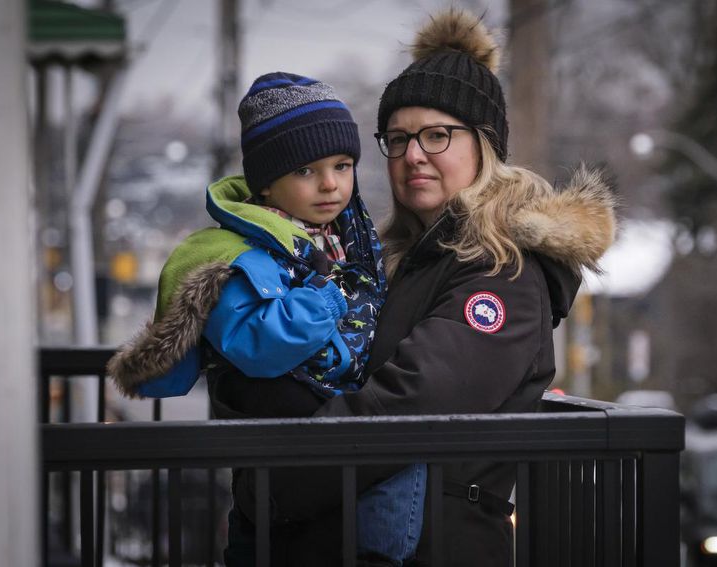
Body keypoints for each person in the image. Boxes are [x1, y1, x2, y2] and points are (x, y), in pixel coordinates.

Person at [264, 9, 618, 566]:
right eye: (398, 139)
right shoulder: (395, 260)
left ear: (483, 144)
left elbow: (412, 401)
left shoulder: (505, 271)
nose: (412, 156)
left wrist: (276, 479)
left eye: (437, 135)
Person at [106, 72, 425, 566]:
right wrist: (323, 301)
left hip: (336, 438)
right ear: (267, 185)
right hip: (287, 451)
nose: (330, 184)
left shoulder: (347, 241)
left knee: (400, 463)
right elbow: (254, 345)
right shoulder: (233, 258)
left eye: (343, 165)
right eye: (306, 171)